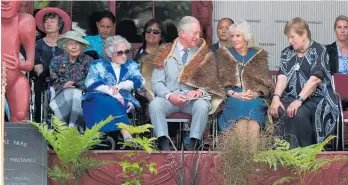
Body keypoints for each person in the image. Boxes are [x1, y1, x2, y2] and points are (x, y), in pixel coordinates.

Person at [142, 16, 224, 151]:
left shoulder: (202, 54)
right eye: (194, 33)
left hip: (191, 100)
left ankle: (193, 144)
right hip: (169, 98)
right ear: (182, 33)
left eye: (199, 33)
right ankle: (164, 144)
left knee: (202, 105)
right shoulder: (164, 51)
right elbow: (157, 83)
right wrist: (170, 96)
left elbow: (210, 83)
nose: (198, 37)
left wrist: (200, 92)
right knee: (155, 104)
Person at [269, 17, 339, 149]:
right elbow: (282, 77)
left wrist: (299, 100)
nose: (289, 41)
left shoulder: (319, 51)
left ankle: (304, 154)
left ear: (304, 34)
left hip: (316, 98)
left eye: (292, 37)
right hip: (291, 97)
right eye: (288, 37)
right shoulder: (287, 52)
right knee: (279, 109)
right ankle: (286, 153)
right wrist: (276, 97)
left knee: (297, 113)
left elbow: (315, 79)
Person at [216, 20, 275, 150]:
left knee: (253, 119)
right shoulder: (225, 55)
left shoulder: (258, 56)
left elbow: (266, 83)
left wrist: (256, 93)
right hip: (233, 97)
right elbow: (220, 82)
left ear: (246, 37)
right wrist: (235, 93)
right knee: (241, 117)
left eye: (238, 36)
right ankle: (241, 158)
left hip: (253, 96)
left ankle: (251, 159)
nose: (235, 39)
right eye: (232, 36)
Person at [82, 35, 145, 145]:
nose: (124, 55)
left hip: (125, 98)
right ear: (110, 53)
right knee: (105, 101)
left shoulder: (132, 65)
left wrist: (122, 85)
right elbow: (90, 82)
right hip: (99, 97)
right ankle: (126, 133)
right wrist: (111, 92)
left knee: (111, 102)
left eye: (126, 51)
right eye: (120, 52)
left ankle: (95, 136)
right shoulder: (98, 65)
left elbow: (140, 80)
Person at [33, 8, 71, 123]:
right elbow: (38, 67)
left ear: (59, 25)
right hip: (44, 78)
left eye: (52, 21)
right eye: (46, 21)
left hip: (64, 78)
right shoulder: (38, 44)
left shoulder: (67, 43)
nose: (48, 24)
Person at [49, 31, 93, 128]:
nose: (74, 47)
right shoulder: (56, 61)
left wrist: (78, 86)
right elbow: (53, 80)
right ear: (65, 47)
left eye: (77, 44)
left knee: (76, 94)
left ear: (81, 46)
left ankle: (71, 127)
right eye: (70, 44)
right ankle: (74, 127)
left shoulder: (88, 60)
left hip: (83, 97)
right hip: (61, 95)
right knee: (74, 94)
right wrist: (63, 86)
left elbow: (91, 80)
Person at [2, 1, 36, 122]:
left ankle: (16, 142)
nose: (5, 2)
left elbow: (29, 64)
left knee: (21, 116)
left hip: (15, 80)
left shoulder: (25, 22)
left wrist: (19, 64)